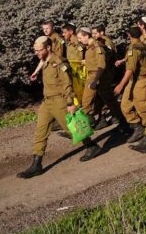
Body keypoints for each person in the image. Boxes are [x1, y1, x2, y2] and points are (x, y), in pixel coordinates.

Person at [17, 36, 101, 178]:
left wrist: (70, 103)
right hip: (47, 103)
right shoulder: (46, 60)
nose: (36, 53)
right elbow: (42, 60)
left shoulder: (59, 63)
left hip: (60, 102)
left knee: (72, 128)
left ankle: (92, 146)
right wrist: (36, 72)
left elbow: (67, 84)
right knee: (40, 132)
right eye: (35, 50)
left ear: (48, 48)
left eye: (39, 50)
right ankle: (36, 164)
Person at [77, 27, 126, 131]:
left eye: (80, 38)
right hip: (93, 76)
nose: (79, 40)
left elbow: (101, 65)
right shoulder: (90, 47)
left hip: (96, 77)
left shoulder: (97, 47)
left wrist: (95, 81)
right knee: (109, 101)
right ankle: (123, 122)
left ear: (86, 36)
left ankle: (84, 130)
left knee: (86, 104)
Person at [114, 26, 146, 144]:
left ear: (129, 36)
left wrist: (120, 85)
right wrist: (123, 60)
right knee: (125, 106)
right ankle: (138, 127)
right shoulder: (141, 45)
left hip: (141, 81)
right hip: (134, 81)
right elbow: (134, 58)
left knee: (142, 108)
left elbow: (130, 69)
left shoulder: (133, 48)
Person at [62, 22, 86, 103]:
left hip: (77, 70)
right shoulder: (69, 42)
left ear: (71, 32)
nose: (63, 34)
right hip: (72, 69)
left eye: (65, 32)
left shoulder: (77, 42)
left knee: (78, 90)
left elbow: (81, 51)